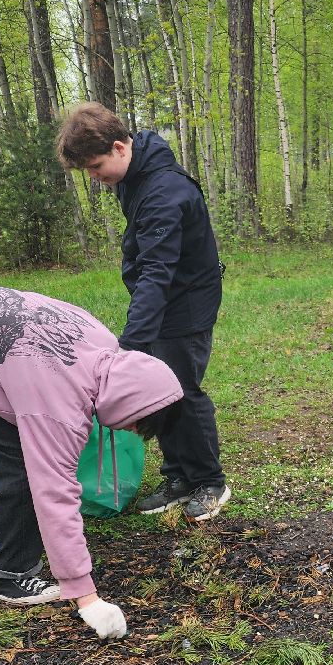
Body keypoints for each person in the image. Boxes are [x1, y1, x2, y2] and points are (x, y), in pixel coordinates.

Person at [0, 286, 185, 639]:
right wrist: (86, 597)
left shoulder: (106, 347)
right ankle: (8, 574)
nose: (130, 432)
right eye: (137, 426)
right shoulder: (57, 405)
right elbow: (54, 491)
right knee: (16, 459)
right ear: (132, 405)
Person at [56, 103, 230, 521]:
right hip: (162, 300)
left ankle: (209, 481)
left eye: (97, 167)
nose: (96, 178)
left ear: (119, 147)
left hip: (185, 302)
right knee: (157, 390)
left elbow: (157, 272)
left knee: (182, 390)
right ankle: (178, 476)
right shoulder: (134, 175)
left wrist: (129, 347)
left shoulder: (164, 192)